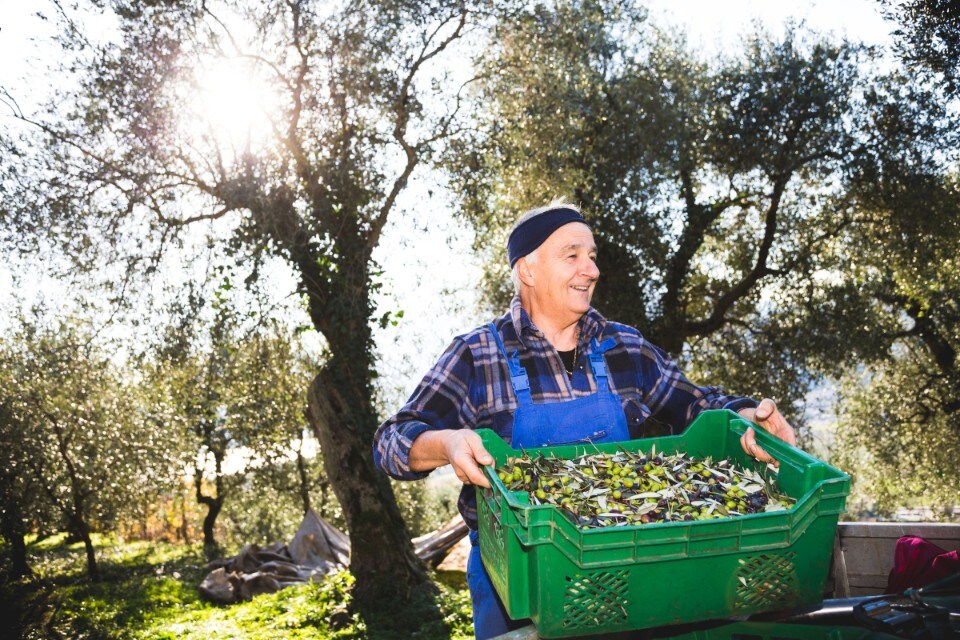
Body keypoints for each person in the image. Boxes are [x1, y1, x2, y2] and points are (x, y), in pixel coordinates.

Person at [372, 200, 796, 640]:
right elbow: (390, 442)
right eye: (572, 255)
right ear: (528, 270)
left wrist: (748, 418)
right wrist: (448, 443)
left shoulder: (624, 346)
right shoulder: (478, 355)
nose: (590, 269)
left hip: (627, 572)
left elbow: (695, 405)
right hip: (518, 582)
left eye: (592, 256)